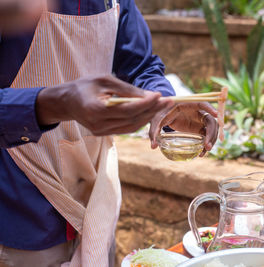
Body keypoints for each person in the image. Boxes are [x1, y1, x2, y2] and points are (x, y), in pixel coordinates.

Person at [0, 0, 218, 266]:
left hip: (95, 194)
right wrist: (53, 103)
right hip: (20, 205)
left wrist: (164, 103)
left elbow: (141, 66)